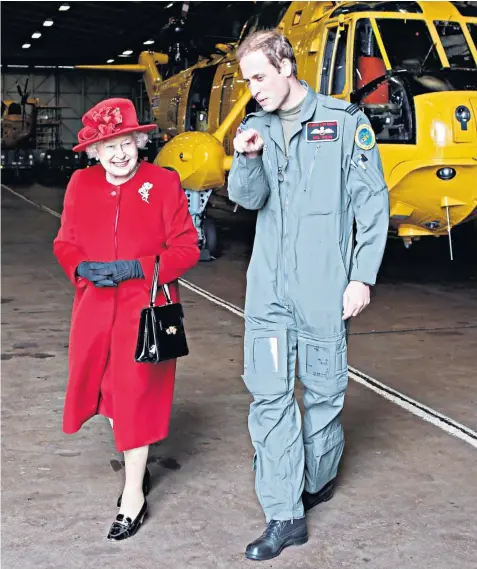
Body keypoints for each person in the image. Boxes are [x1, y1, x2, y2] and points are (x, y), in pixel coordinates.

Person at [228, 30, 389, 561]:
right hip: (268, 289)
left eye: (259, 77)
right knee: (270, 396)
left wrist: (361, 276)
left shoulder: (343, 124)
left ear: (287, 66)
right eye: (246, 80)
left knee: (323, 395)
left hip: (324, 287)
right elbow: (247, 200)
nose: (253, 90)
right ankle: (284, 514)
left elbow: (372, 204)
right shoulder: (255, 128)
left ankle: (317, 478)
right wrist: (245, 159)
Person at [53, 98, 200, 541]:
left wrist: (138, 267)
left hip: (145, 311)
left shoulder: (163, 183)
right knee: (108, 395)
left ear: (140, 142)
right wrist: (80, 268)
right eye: (107, 146)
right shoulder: (81, 184)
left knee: (134, 397)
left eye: (126, 143)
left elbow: (187, 248)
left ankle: (133, 493)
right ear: (94, 151)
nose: (118, 154)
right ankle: (137, 465)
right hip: (94, 310)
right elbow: (65, 241)